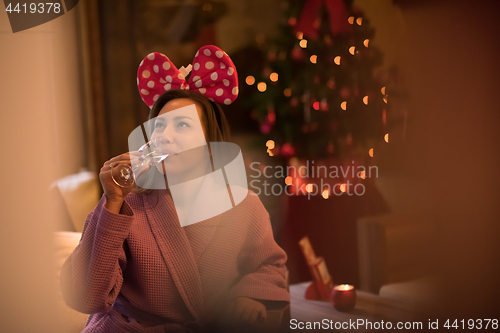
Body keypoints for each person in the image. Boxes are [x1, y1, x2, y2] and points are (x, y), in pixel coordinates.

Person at [60, 46, 290, 333]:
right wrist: (112, 201)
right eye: (158, 127)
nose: (164, 137)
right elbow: (86, 296)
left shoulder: (243, 206)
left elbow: (270, 266)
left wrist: (248, 294)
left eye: (182, 125)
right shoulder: (124, 206)